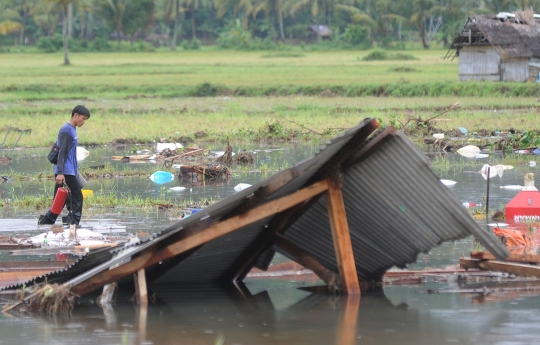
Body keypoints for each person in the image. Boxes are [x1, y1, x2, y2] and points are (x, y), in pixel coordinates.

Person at [38, 105, 90, 225]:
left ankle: (46, 222)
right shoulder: (67, 130)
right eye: (82, 118)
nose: (83, 122)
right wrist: (60, 173)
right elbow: (61, 153)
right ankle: (73, 223)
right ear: (75, 115)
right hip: (65, 172)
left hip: (69, 170)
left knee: (59, 200)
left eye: (85, 120)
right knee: (77, 197)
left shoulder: (72, 129)